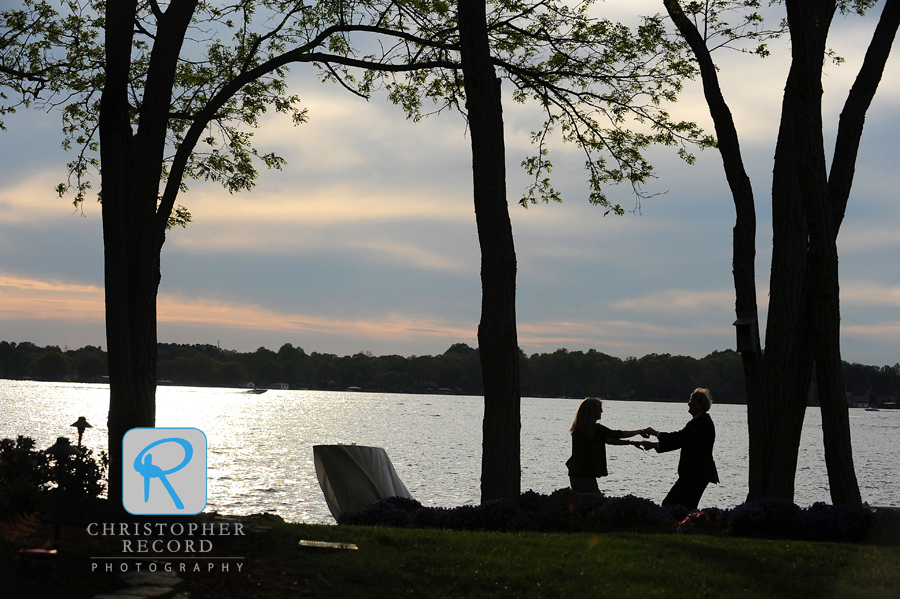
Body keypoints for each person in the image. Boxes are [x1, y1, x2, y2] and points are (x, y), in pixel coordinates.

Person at [640, 388, 719, 510]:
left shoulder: (700, 422)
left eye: (691, 400)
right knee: (683, 506)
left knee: (671, 504)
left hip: (696, 473)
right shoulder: (700, 421)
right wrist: (655, 445)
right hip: (696, 473)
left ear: (700, 404)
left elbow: (679, 437)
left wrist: (656, 433)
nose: (688, 403)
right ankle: (686, 527)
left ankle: (682, 527)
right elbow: (681, 442)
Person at [566, 397, 648, 494]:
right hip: (585, 474)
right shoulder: (596, 429)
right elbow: (618, 434)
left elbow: (609, 440)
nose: (602, 411)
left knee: (585, 501)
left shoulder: (580, 430)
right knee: (595, 501)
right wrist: (640, 431)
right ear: (593, 411)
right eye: (599, 409)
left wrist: (631, 442)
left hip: (575, 472)